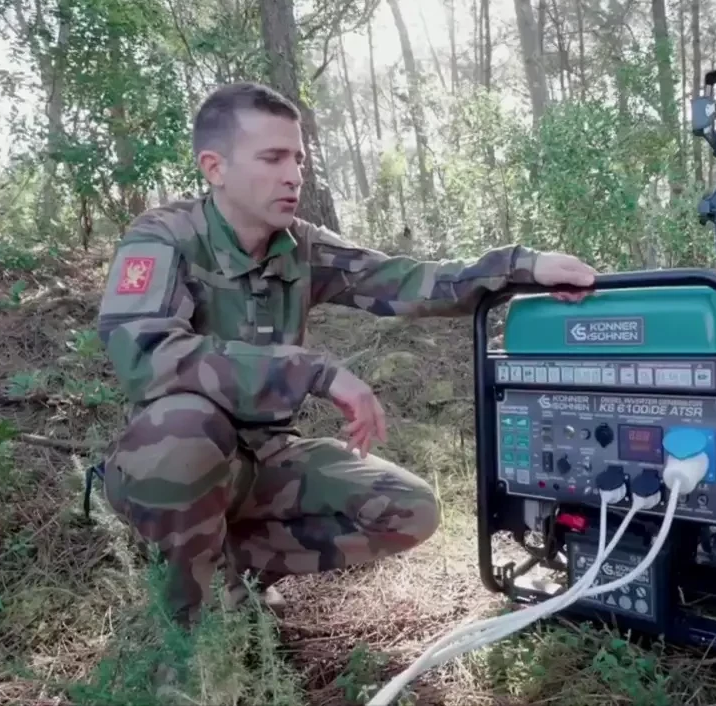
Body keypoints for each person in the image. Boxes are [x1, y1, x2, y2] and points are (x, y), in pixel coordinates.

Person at [95, 82, 598, 628]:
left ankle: (230, 568)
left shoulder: (301, 245)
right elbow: (146, 355)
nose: (294, 175)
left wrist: (522, 268)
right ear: (215, 167)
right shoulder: (164, 237)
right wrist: (312, 370)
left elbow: (405, 281)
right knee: (184, 427)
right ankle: (186, 631)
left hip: (265, 458)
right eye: (272, 158)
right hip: (175, 464)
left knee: (410, 510)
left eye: (298, 159)